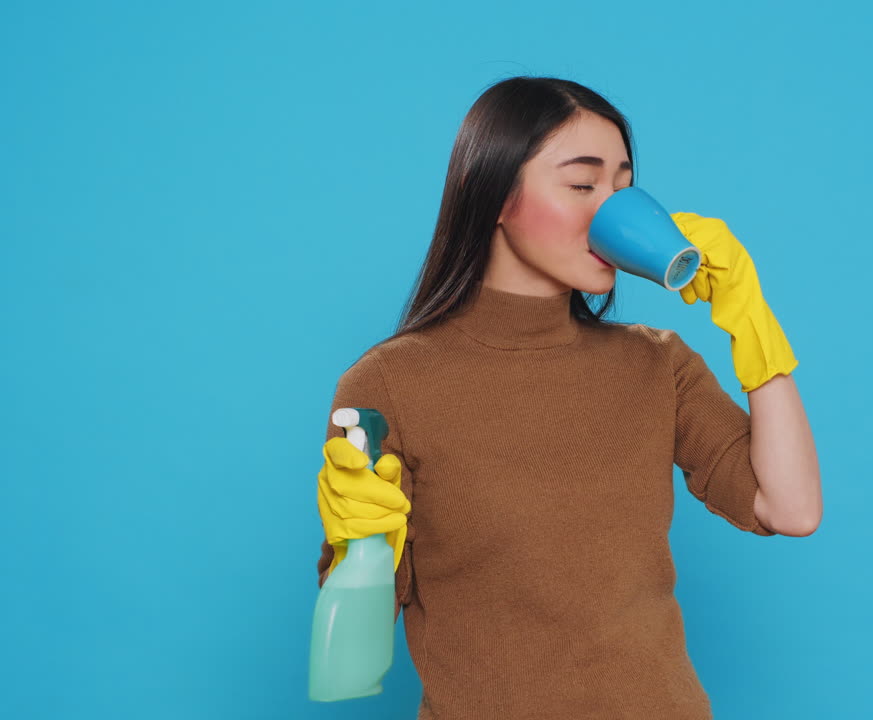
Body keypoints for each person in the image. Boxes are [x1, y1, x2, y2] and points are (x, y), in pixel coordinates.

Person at [314, 75, 822, 719]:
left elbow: (791, 507)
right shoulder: (388, 384)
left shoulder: (656, 364)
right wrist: (360, 545)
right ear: (494, 194)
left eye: (622, 187)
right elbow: (356, 653)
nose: (608, 211)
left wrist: (751, 320)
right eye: (582, 185)